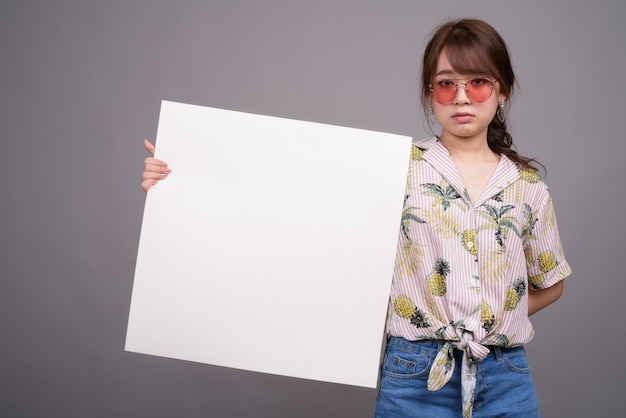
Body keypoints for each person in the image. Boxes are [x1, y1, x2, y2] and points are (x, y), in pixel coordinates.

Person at [140, 18, 570, 418]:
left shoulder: (527, 186)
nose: (461, 97)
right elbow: (287, 206)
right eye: (446, 84)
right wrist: (180, 179)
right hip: (413, 375)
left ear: (502, 90)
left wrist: (498, 314)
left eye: (477, 83)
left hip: (505, 377)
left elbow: (551, 282)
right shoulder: (392, 168)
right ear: (428, 92)